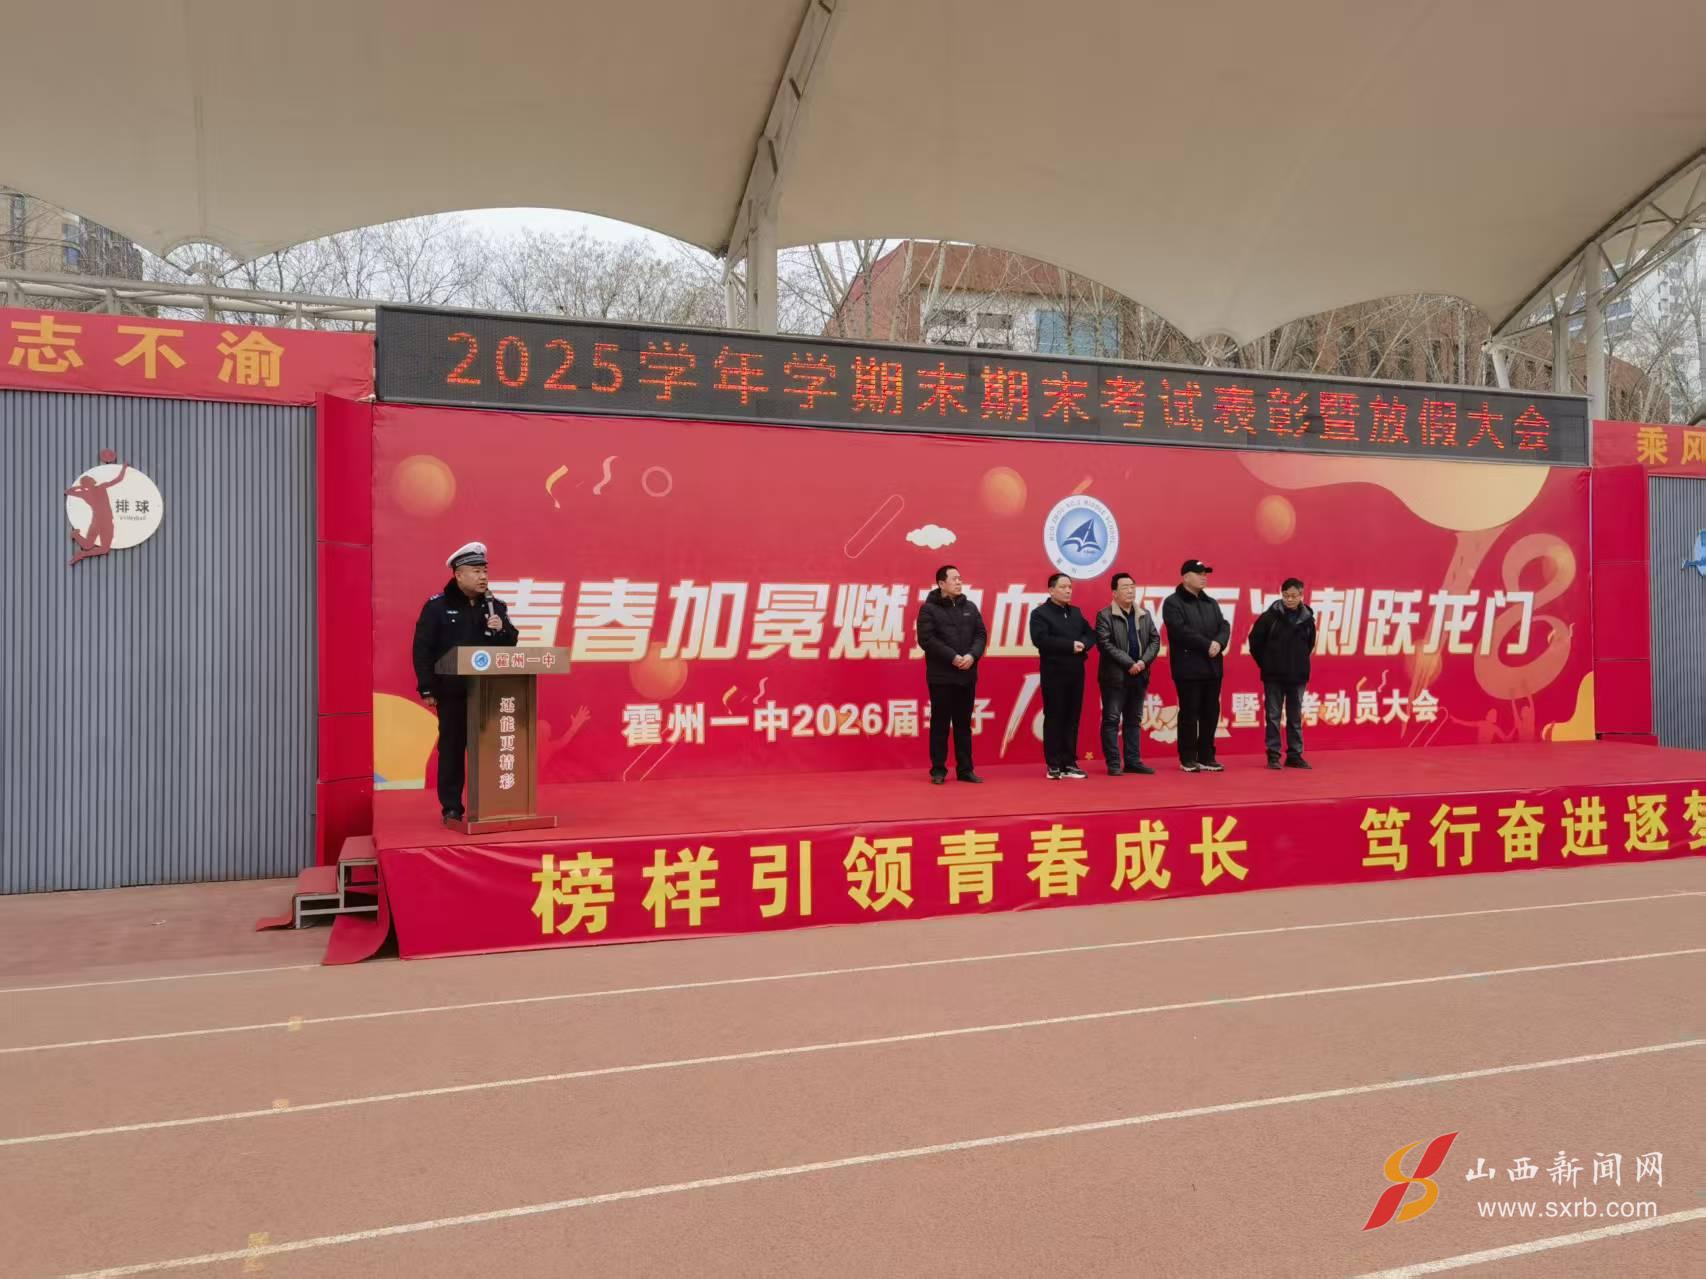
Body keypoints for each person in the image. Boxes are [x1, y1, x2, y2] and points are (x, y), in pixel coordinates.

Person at [412, 541, 520, 823]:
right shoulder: (437, 607)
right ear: (458, 575)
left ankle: (489, 803)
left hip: (488, 692)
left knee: (489, 748)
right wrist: (427, 687)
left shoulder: (495, 607)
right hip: (452, 692)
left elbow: (510, 645)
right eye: (476, 571)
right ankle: (451, 807)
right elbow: (422, 649)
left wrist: (502, 630)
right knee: (452, 748)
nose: (483, 577)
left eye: (485, 571)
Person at [915, 564, 987, 785]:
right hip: (942, 676)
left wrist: (972, 655)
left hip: (967, 674)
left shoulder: (970, 607)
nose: (958, 582)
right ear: (941, 583)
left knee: (963, 724)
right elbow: (927, 640)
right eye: (954, 579)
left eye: (960, 578)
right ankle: (938, 770)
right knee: (940, 723)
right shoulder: (928, 609)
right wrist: (953, 657)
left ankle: (965, 769)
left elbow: (981, 635)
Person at [1162, 558, 1231, 773]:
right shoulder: (1173, 603)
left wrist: (1219, 643)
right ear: (1185, 577)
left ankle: (1207, 756)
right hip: (1188, 668)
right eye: (1199, 573)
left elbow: (1224, 625)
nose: (1204, 577)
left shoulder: (1211, 603)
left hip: (1212, 666)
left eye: (1205, 574)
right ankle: (1188, 757)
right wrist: (1206, 644)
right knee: (1189, 714)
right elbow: (1179, 631)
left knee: (1211, 713)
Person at [1029, 573, 1095, 779]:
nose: (1068, 591)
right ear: (1051, 590)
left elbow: (1090, 633)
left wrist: (1084, 644)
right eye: (1063, 587)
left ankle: (1070, 762)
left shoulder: (1075, 612)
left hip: (1076, 672)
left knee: (1072, 718)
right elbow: (1040, 639)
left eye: (1070, 587)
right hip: (1054, 673)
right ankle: (1054, 764)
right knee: (1054, 717)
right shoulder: (1040, 614)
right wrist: (1070, 645)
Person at [1248, 576, 1318, 770]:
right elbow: (1254, 642)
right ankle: (1273, 755)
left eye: (1294, 596)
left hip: (1298, 676)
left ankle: (1295, 755)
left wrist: (1298, 662)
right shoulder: (1269, 617)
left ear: (1301, 595)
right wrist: (1267, 664)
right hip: (1274, 676)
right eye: (1286, 595)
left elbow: (1309, 644)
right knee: (1273, 716)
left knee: (1295, 717)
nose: (1289, 599)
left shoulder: (1308, 620)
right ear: (1282, 594)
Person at [1095, 571, 1160, 775]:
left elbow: (1155, 640)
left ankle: (1132, 761)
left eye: (1132, 586)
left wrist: (1142, 662)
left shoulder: (1144, 614)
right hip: (1115, 677)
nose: (1130, 590)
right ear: (1114, 593)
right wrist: (1129, 663)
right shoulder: (1104, 615)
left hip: (1139, 675)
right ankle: (1114, 763)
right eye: (1125, 587)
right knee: (1112, 719)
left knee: (1134, 720)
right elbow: (1105, 644)